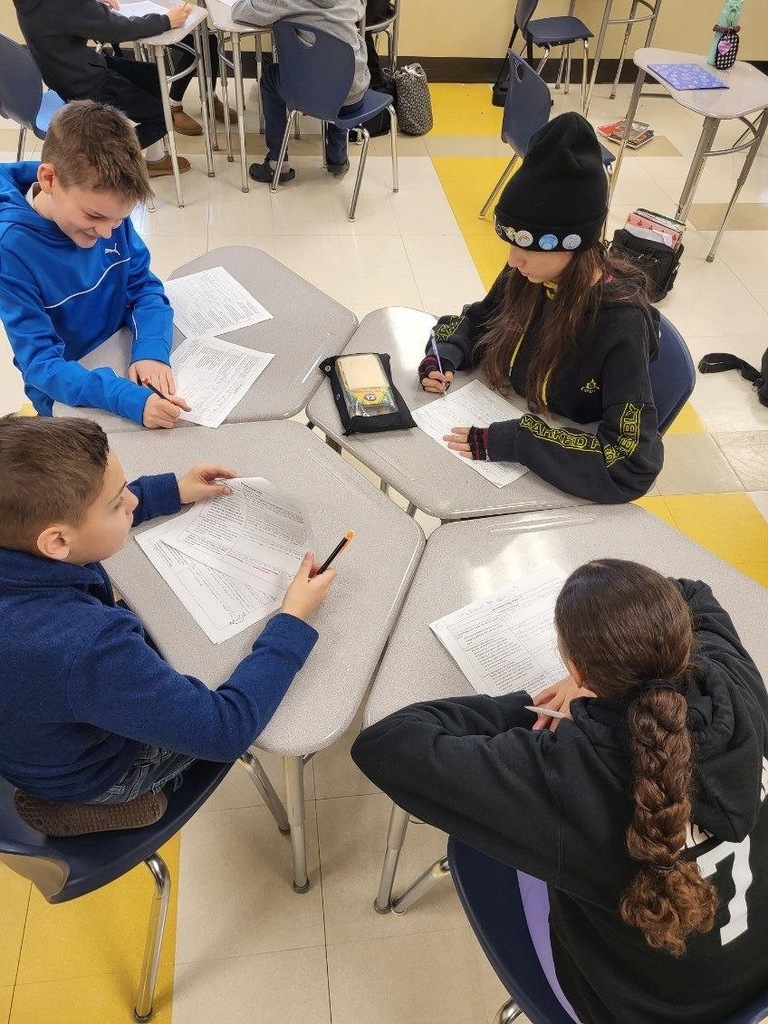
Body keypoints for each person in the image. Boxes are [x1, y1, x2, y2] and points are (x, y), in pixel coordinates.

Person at [351, 559, 768, 1024]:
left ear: (576, 668)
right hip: (754, 977)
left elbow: (385, 745)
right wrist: (596, 678)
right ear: (683, 645)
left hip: (642, 1009)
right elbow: (690, 589)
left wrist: (537, 708)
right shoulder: (735, 682)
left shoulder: (561, 777)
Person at [0, 415, 335, 830]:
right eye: (118, 502)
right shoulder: (87, 646)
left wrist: (169, 491)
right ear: (56, 543)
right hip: (88, 773)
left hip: (31, 734)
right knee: (208, 679)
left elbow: (78, 518)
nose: (133, 503)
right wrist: (292, 621)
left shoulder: (17, 536)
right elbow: (224, 731)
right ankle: (88, 805)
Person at [419, 112, 663, 504]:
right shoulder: (529, 274)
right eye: (511, 244)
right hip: (500, 427)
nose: (514, 260)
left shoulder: (621, 324)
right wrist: (443, 354)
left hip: (556, 475)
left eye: (527, 247)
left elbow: (630, 462)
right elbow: (480, 320)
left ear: (571, 244)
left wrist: (520, 440)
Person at [0, 100, 190, 430]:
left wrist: (150, 351)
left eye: (119, 220)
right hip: (67, 397)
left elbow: (143, 288)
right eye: (94, 216)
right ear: (48, 179)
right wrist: (122, 396)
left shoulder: (108, 212)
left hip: (121, 360)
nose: (105, 233)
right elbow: (42, 364)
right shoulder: (12, 248)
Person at [13, 0, 193, 176]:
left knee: (151, 76)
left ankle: (156, 159)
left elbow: (66, 15)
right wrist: (166, 21)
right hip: (85, 81)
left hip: (64, 71)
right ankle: (95, 164)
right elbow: (115, 29)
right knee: (163, 117)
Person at [231, 0, 370, 183]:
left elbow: (241, 12)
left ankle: (276, 164)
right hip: (353, 91)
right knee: (336, 76)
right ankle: (337, 159)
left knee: (269, 80)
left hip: (312, 94)